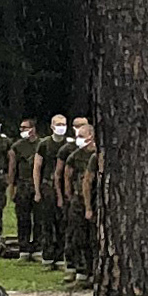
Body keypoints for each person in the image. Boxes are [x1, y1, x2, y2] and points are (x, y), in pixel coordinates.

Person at [59, 120, 97, 286]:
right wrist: (69, 195)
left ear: (91, 136)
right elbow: (66, 176)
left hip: (96, 201)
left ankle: (94, 271)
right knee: (77, 236)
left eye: (82, 136)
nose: (78, 139)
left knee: (94, 238)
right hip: (78, 199)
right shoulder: (75, 155)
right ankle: (80, 270)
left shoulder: (97, 155)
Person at [33, 115, 68, 268]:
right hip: (47, 186)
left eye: (63, 124)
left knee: (61, 223)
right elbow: (37, 167)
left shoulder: (68, 145)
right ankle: (47, 256)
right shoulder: (44, 144)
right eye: (58, 124)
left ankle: (60, 257)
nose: (61, 127)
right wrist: (37, 190)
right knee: (46, 222)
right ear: (52, 126)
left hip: (63, 187)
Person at [11, 118, 41, 259]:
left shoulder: (41, 145)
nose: (22, 130)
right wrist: (12, 186)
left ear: (33, 128)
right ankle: (23, 247)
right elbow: (12, 168)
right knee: (23, 217)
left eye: (25, 127)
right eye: (21, 128)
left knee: (39, 218)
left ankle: (37, 248)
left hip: (37, 184)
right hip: (22, 183)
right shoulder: (17, 146)